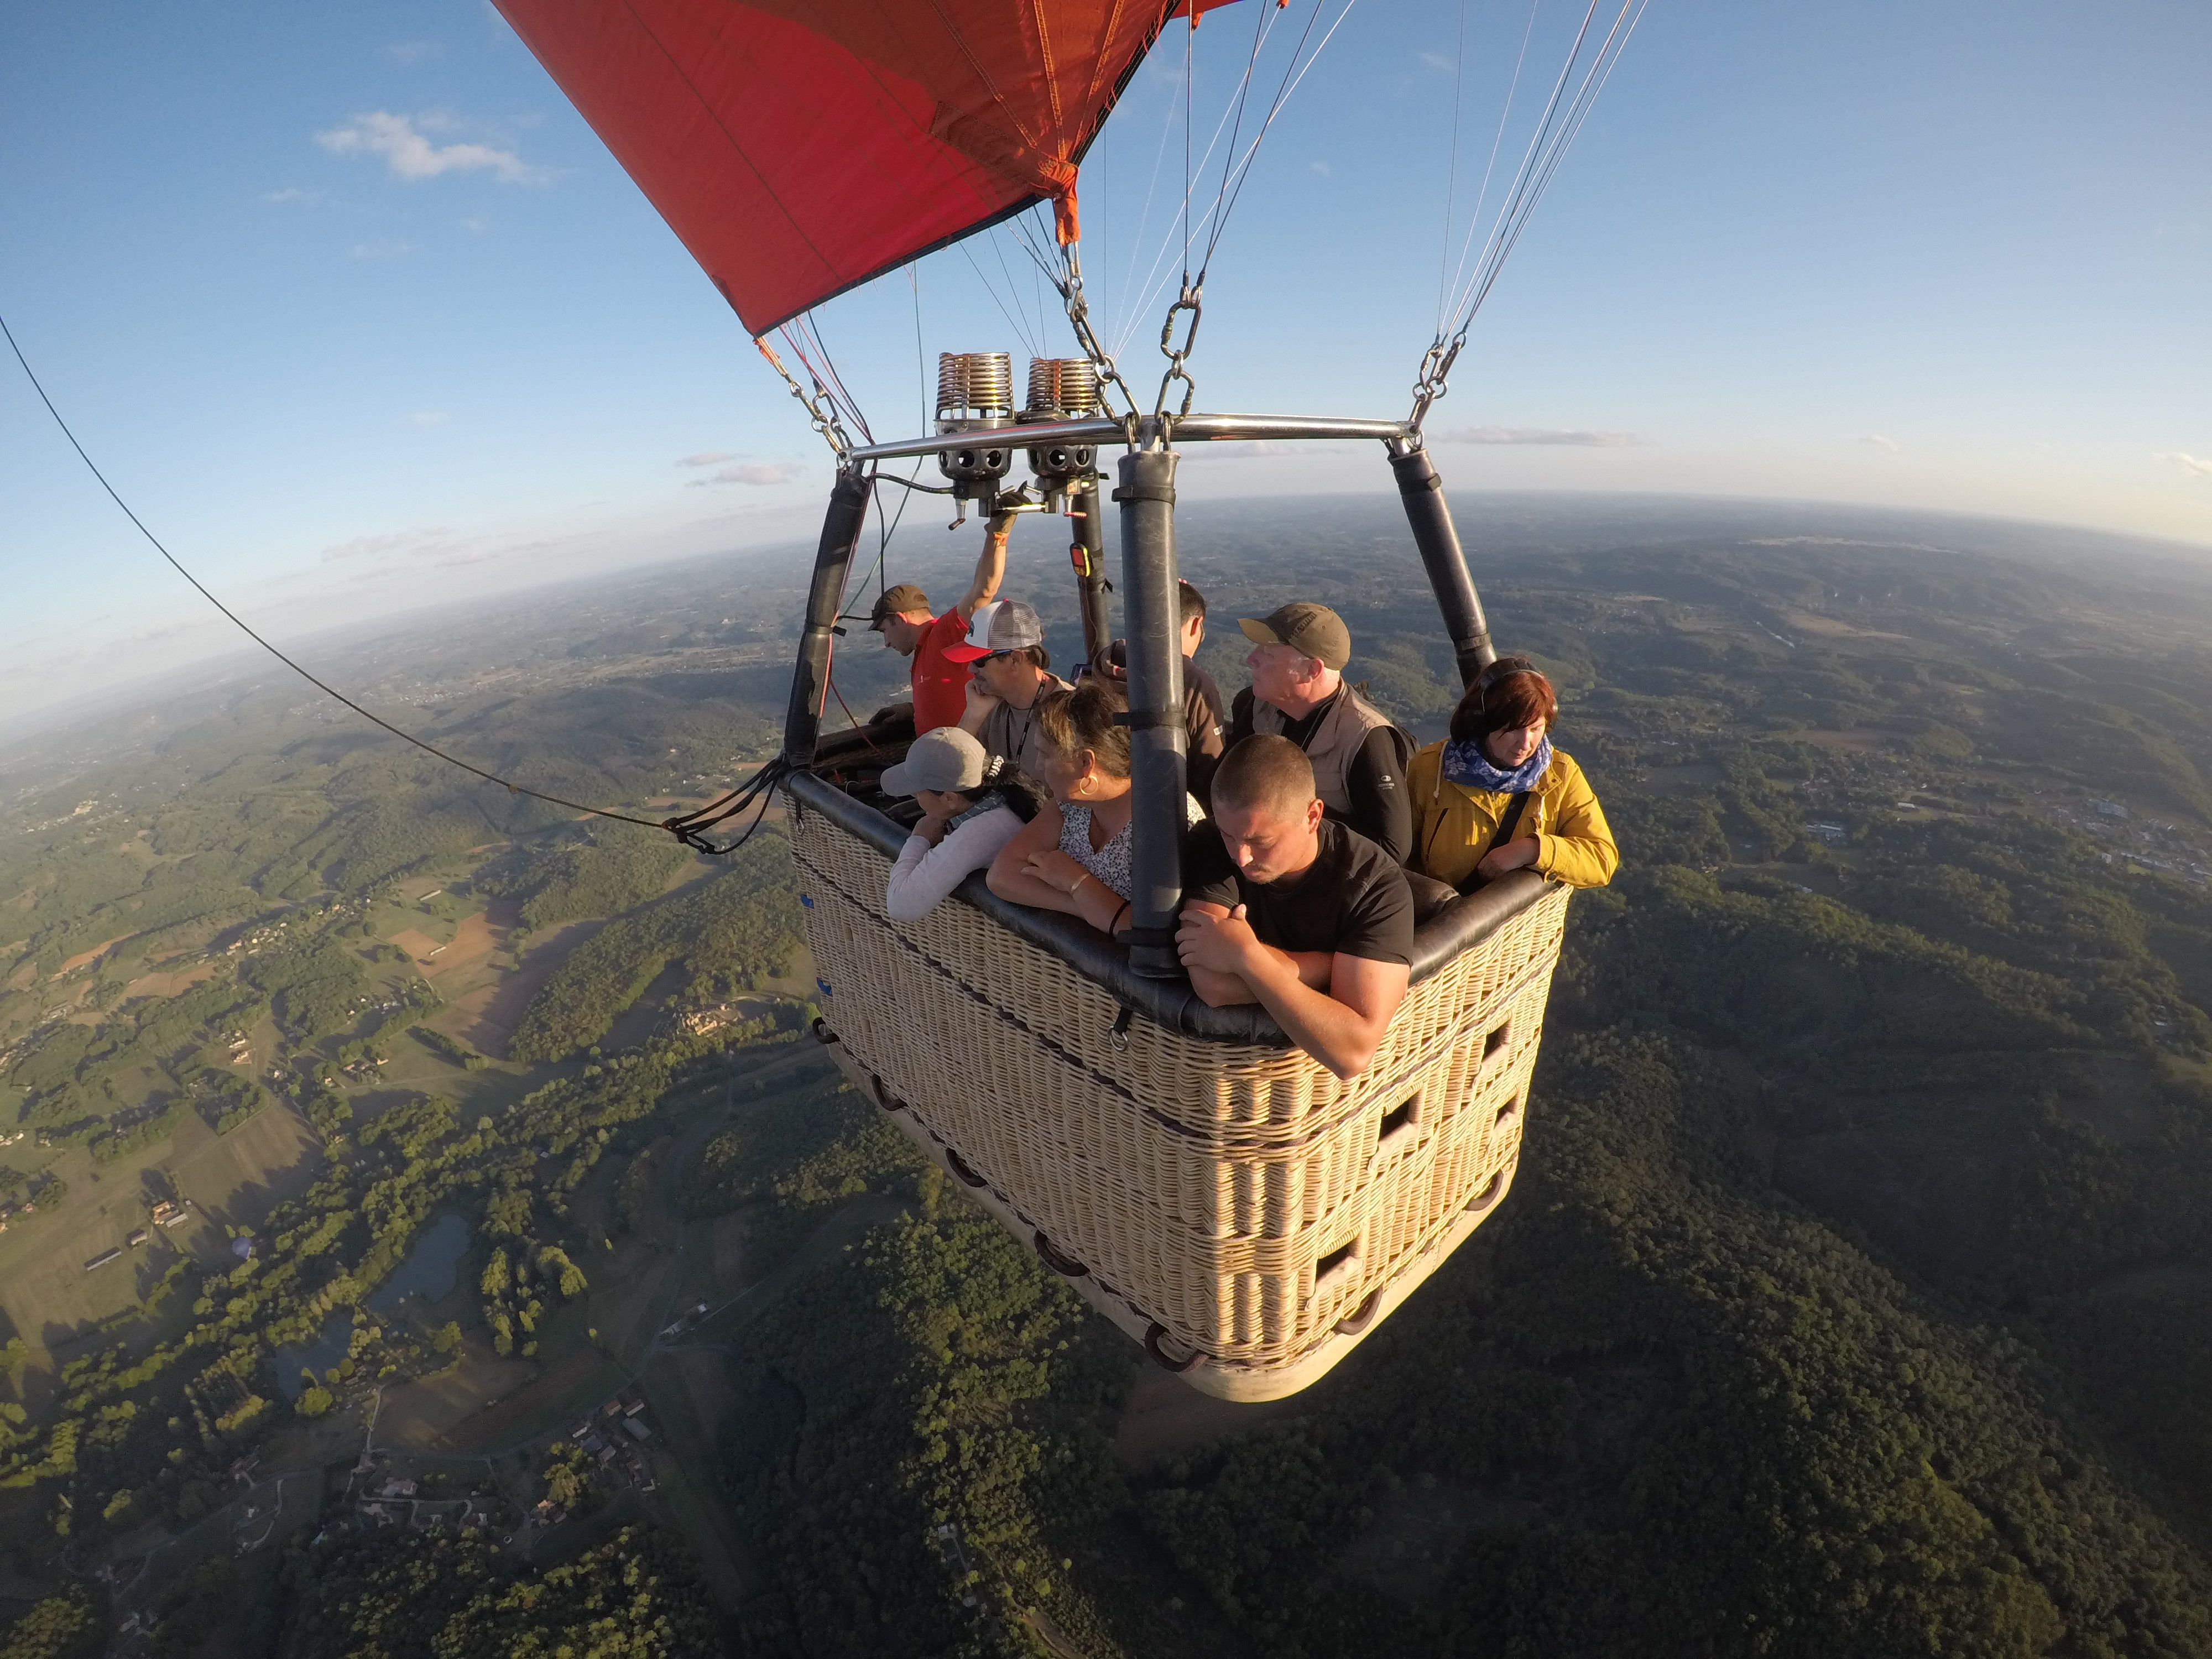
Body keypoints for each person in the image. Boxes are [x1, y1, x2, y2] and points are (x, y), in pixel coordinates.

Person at [1176, 735, 1414, 1079]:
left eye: (1260, 841)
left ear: (1312, 816)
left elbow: (1352, 1054)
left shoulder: (1376, 886)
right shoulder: (1212, 842)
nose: (1241, 857)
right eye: (1230, 835)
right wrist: (1329, 967)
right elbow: (1212, 983)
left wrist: (1246, 956)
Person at [986, 679, 1201, 937]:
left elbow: (1148, 932)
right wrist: (1084, 906)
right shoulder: (1072, 804)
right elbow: (1002, 875)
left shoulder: (1166, 821)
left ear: (1086, 763)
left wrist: (1076, 881)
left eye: (1045, 754)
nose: (1038, 766)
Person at [1408, 656, 1618, 891]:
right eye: (1513, 730)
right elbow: (1400, 856)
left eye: (1536, 728)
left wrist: (1532, 850)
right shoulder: (1432, 768)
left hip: (1522, 917)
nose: (1525, 743)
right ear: (1482, 723)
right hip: (1442, 913)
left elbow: (1602, 859)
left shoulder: (1561, 774)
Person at [1227, 602, 1413, 864]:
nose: (1251, 659)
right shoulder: (1253, 707)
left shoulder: (1366, 739)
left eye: (1268, 653)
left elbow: (1392, 849)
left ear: (1311, 670)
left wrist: (1295, 820)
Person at [865, 511, 1012, 734]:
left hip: (965, 753)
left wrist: (998, 534)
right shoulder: (923, 651)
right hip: (942, 752)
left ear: (900, 619)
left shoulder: (947, 633)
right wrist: (915, 710)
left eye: (884, 630)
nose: (886, 642)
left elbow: (984, 590)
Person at [1088, 578, 1227, 800]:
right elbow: (1211, 769)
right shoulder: (1193, 683)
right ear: (1195, 624)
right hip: (1168, 806)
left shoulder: (1101, 668)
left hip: (1102, 799)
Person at [877, 726, 1031, 923]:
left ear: (950, 799)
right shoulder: (1002, 796)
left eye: (916, 793)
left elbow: (901, 905)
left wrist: (919, 838)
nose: (914, 797)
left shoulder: (983, 830)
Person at [947, 598, 1070, 788]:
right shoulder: (988, 705)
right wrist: (972, 716)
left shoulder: (1070, 715)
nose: (970, 669)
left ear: (1015, 660)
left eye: (979, 660)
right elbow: (945, 775)